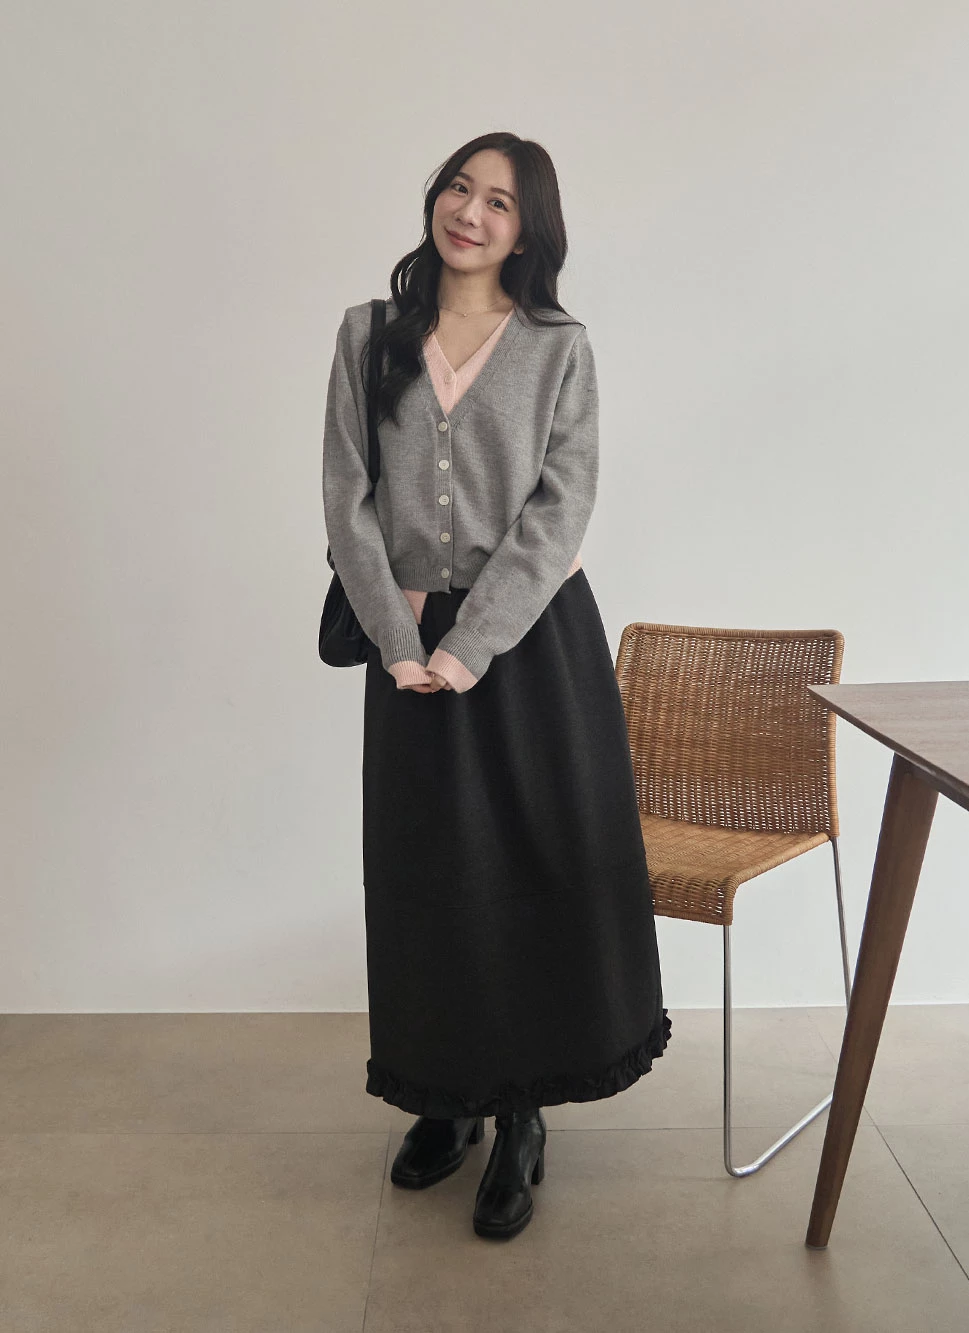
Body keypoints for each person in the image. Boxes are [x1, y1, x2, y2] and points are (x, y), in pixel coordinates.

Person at [322, 132, 671, 1241]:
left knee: (526, 869)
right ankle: (444, 1096)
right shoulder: (367, 333)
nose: (470, 212)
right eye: (459, 188)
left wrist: (470, 642)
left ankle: (521, 1113)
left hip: (530, 644)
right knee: (425, 872)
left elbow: (562, 508)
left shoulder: (559, 347)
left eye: (501, 203)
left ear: (529, 231)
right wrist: (398, 637)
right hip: (404, 644)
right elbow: (346, 495)